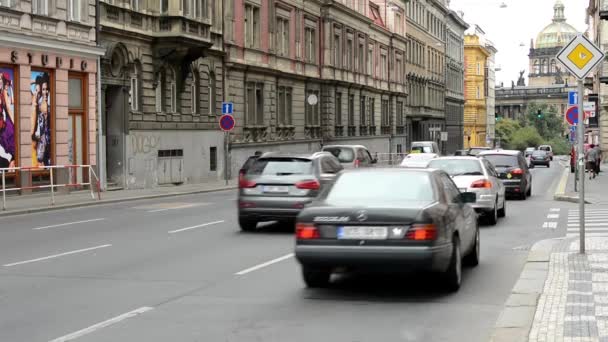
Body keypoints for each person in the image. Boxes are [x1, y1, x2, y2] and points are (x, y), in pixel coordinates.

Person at [0, 72, 15, 169]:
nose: (6, 85)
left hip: (6, 123)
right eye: (6, 83)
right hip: (6, 122)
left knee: (7, 147)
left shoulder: (5, 92)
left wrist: (11, 88)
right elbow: (9, 108)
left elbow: (12, 103)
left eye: (6, 83)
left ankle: (10, 161)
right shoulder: (4, 93)